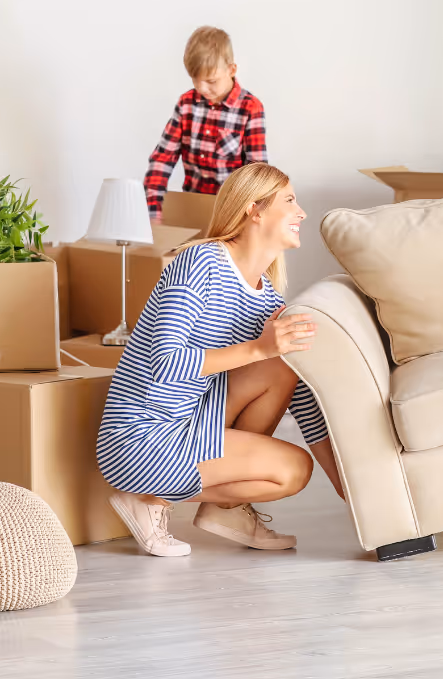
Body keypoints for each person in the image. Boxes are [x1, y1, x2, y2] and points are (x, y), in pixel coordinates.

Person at [97, 162, 343, 557]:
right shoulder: (200, 263)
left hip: (194, 425)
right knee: (290, 458)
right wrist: (260, 349)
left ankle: (225, 510)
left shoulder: (269, 300)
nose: (302, 213)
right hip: (142, 436)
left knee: (287, 388)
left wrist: (351, 493)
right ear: (254, 209)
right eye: (291, 200)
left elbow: (302, 404)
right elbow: (165, 361)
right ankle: (147, 501)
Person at [144, 26, 268, 223]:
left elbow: (256, 172)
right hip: (192, 209)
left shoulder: (250, 108)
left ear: (231, 69)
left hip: (231, 215)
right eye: (196, 81)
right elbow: (162, 160)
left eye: (211, 81)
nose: (202, 89)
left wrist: (248, 219)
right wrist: (153, 212)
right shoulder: (186, 104)